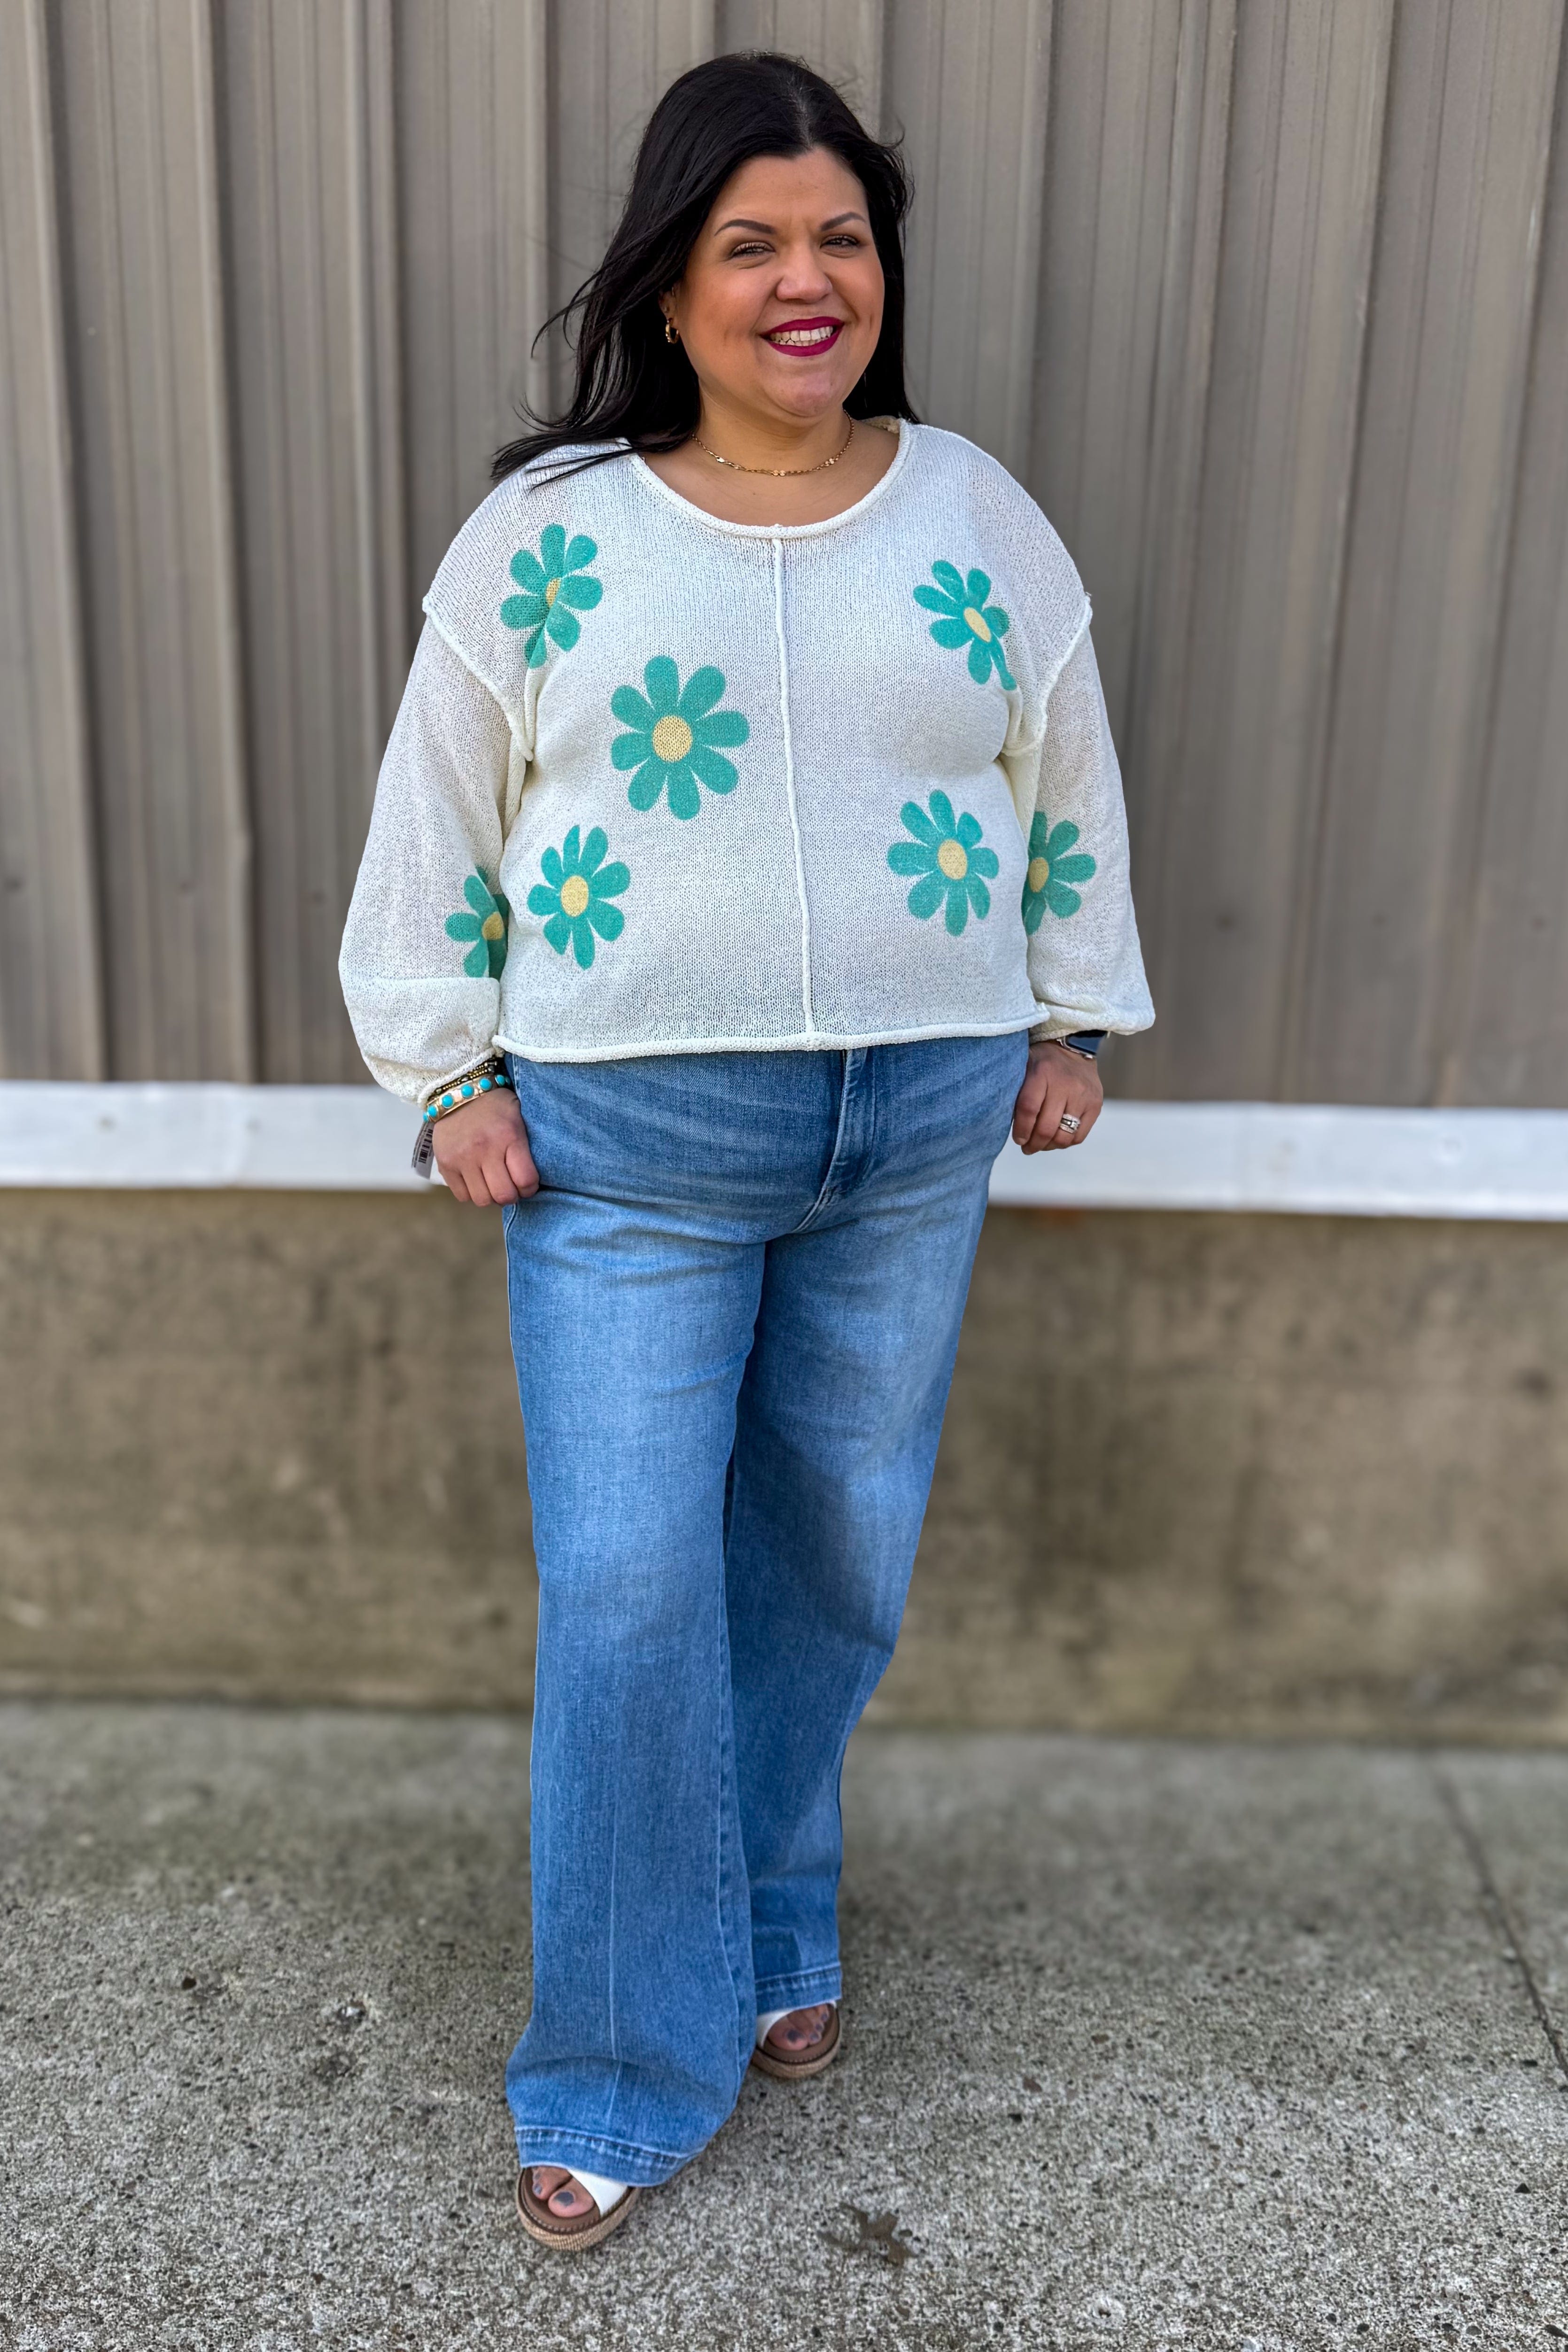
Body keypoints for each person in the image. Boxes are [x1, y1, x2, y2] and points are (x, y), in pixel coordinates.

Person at [340, 49, 1152, 2252]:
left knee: (827, 1556)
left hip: (915, 1116)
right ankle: (618, 2053)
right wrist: (445, 1068)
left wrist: (1068, 1009)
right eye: (752, 244)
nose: (809, 282)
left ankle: (776, 1923)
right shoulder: (551, 538)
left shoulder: (975, 511)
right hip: (625, 1134)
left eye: (843, 239)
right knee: (624, 1591)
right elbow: (437, 818)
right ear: (674, 285)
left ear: (880, 267)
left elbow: (1053, 769)